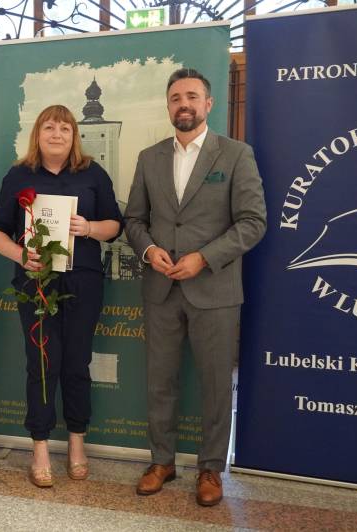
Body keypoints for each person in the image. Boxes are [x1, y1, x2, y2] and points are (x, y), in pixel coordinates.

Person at [124, 68, 266, 506]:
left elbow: (253, 222)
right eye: (175, 98)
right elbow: (134, 220)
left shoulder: (236, 155)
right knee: (159, 381)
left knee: (216, 384)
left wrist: (203, 258)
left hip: (215, 291)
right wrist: (149, 250)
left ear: (208, 103)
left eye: (191, 96)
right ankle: (161, 461)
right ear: (168, 106)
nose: (183, 104)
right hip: (161, 288)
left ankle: (210, 469)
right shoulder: (149, 158)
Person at [0, 104, 122, 488]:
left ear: (74, 135)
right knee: (42, 363)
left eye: (64, 128)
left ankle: (77, 442)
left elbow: (116, 225)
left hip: (83, 282)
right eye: (49, 127)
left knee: (77, 362)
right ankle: (40, 447)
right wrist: (20, 255)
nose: (57, 134)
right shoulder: (18, 175)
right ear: (38, 134)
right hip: (36, 283)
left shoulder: (93, 173)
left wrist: (89, 227)